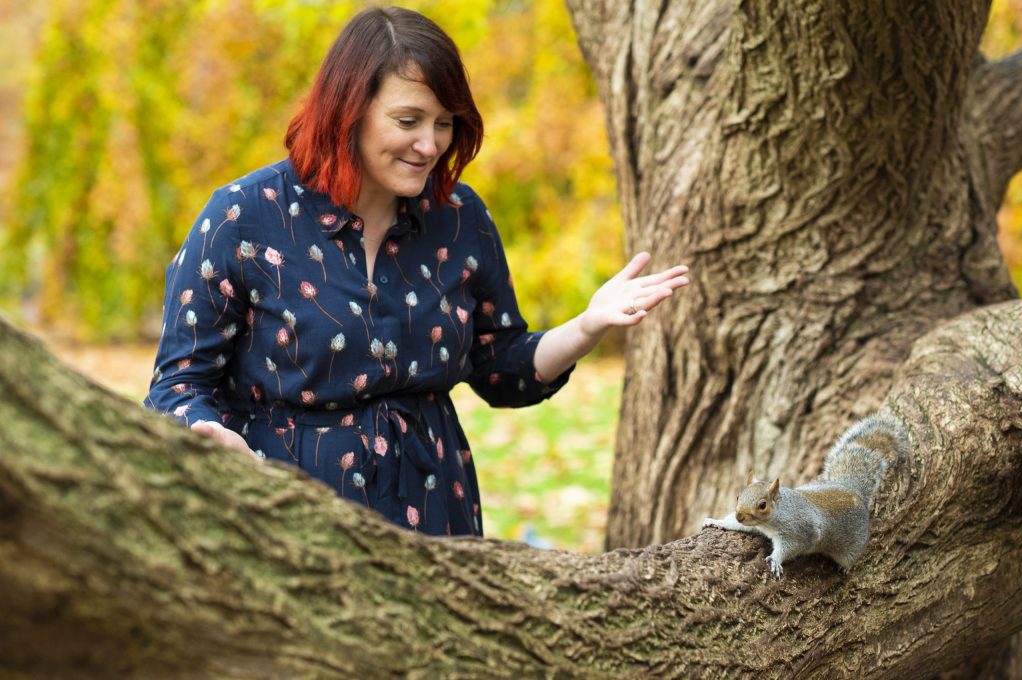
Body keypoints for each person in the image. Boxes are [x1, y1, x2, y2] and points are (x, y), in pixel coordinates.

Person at [144, 6, 689, 537]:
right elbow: (178, 384)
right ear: (347, 111)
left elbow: (501, 370)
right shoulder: (241, 217)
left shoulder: (459, 217)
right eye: (408, 121)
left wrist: (587, 326)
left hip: (435, 517)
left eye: (445, 123)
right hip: (288, 523)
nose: (430, 145)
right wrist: (207, 432)